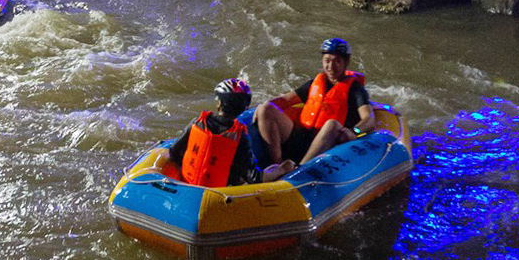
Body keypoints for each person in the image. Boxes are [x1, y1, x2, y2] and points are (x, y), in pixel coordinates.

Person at [255, 37, 376, 168]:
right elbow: (286, 100)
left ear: (346, 62)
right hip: (302, 137)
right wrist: (261, 109)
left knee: (332, 124)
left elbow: (368, 118)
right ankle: (277, 165)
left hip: (329, 143)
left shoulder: (355, 89)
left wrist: (354, 131)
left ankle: (300, 169)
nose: (330, 66)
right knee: (266, 108)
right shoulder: (315, 83)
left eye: (337, 61)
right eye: (327, 61)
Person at [156, 78, 292, 188]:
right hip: (220, 193)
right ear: (245, 107)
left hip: (187, 183)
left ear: (219, 103)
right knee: (273, 168)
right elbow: (254, 178)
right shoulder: (238, 136)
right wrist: (282, 169)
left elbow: (174, 153)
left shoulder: (197, 123)